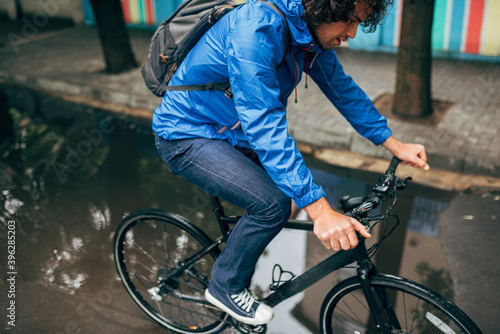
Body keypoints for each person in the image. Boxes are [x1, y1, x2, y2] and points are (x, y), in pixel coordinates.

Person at [153, 0, 429, 326]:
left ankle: (239, 256)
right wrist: (322, 212)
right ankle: (224, 286)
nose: (351, 34)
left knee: (298, 194)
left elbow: (342, 90)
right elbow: (265, 127)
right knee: (273, 205)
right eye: (350, 21)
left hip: (233, 134)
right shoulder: (254, 30)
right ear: (327, 7)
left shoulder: (305, 34)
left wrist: (394, 144)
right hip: (186, 135)